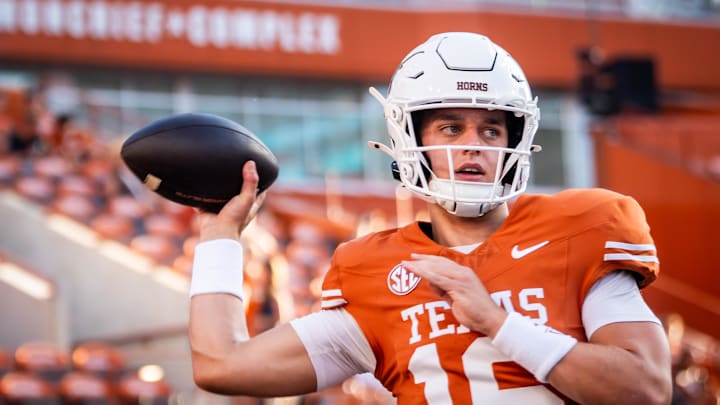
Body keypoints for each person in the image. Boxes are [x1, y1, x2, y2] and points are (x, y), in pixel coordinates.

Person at [188, 32, 672, 404]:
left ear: (515, 140)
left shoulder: (580, 228)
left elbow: (646, 389)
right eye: (450, 127)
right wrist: (219, 236)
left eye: (490, 129)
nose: (473, 145)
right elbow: (222, 366)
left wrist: (497, 322)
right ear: (408, 137)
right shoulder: (372, 272)